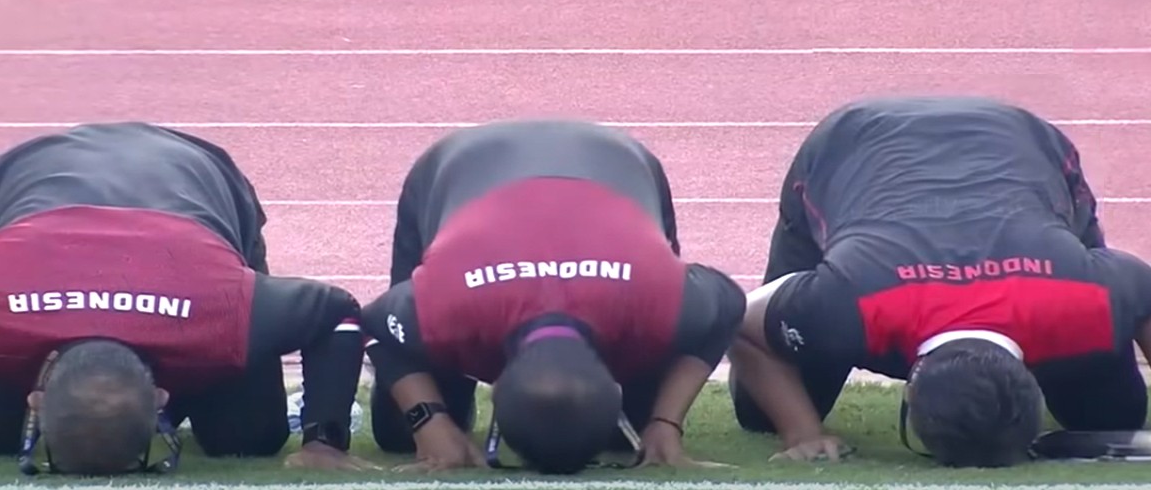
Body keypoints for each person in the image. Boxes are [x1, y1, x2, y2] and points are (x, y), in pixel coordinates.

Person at [0, 122, 372, 475]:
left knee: (248, 436)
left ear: (36, 399)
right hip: (31, 179)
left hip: (194, 173)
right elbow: (338, 312)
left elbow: (336, 312)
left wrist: (324, 438)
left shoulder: (224, 310)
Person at [728, 96, 1151, 468]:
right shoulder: (847, 307)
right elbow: (744, 321)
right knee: (762, 413)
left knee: (1110, 417)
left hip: (1012, 142)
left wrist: (804, 435)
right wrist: (801, 432)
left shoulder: (1084, 299)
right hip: (852, 144)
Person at [359, 119, 746, 474]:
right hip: (460, 167)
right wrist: (430, 421)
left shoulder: (654, 301)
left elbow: (729, 302)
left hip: (612, 167)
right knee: (400, 433)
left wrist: (664, 423)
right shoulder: (450, 307)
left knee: (637, 423)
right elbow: (377, 322)